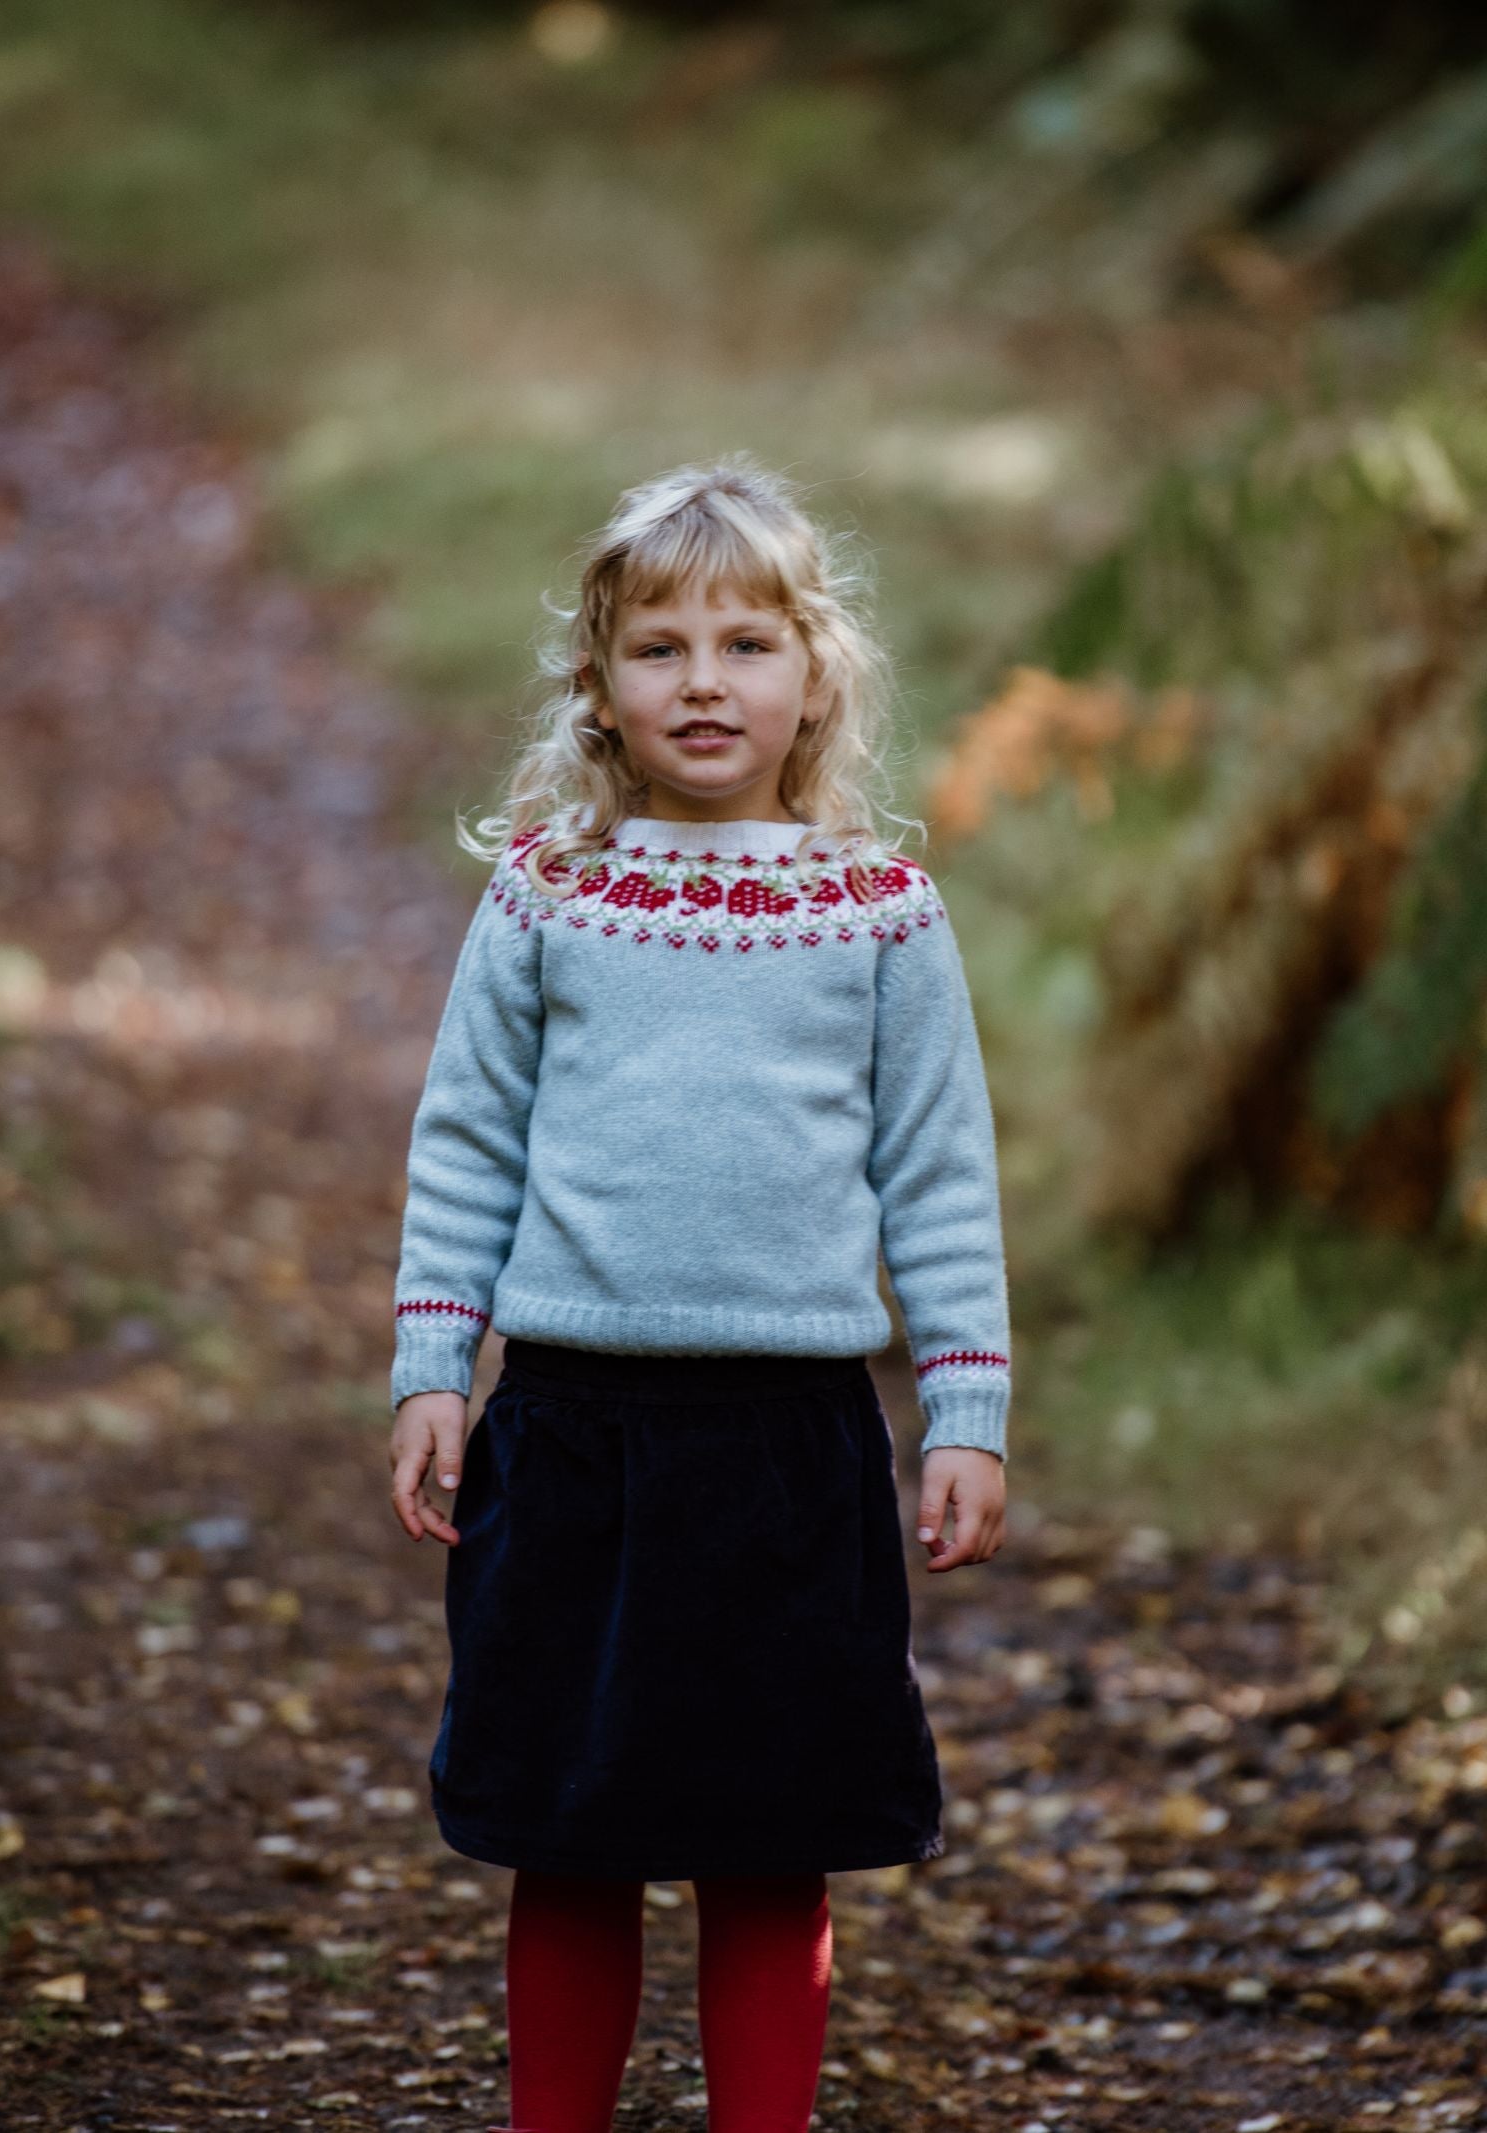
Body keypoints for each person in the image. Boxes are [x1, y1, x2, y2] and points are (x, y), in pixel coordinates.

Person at [387, 453, 1012, 2133]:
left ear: (817, 673)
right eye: (659, 646)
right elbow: (467, 1141)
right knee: (568, 1830)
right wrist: (434, 1362)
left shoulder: (878, 911)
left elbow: (940, 1174)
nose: (705, 682)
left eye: (747, 642)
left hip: (791, 1439)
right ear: (598, 683)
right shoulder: (548, 892)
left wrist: (966, 1404)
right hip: (574, 1431)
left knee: (770, 1838)